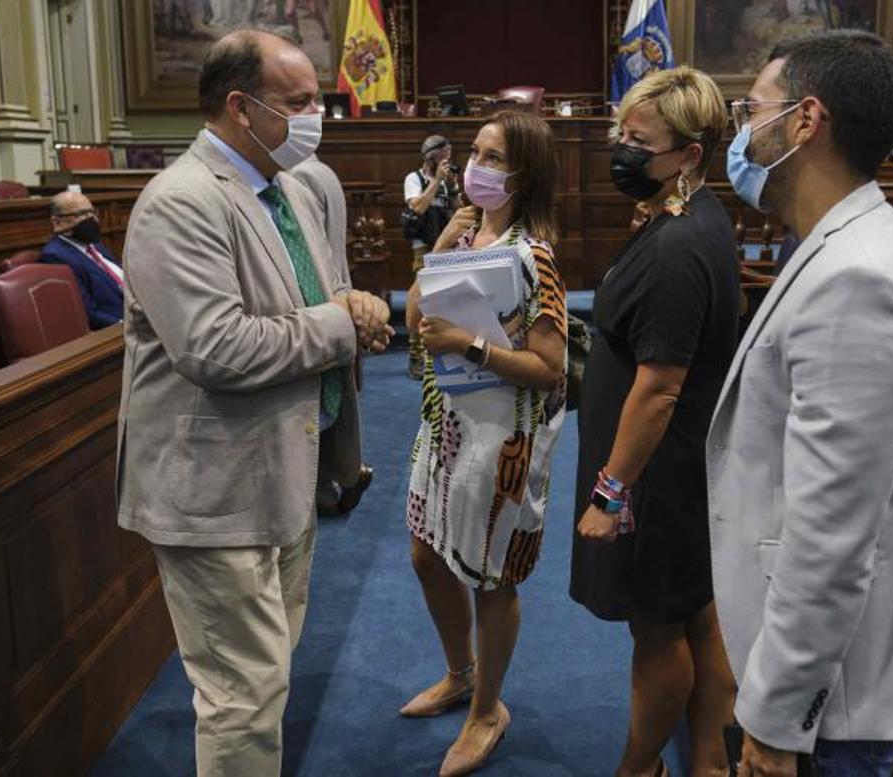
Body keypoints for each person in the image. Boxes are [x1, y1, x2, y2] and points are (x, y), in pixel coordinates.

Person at [116, 30, 392, 777]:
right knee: (243, 692)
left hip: (289, 464)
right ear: (241, 107)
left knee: (270, 666)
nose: (316, 117)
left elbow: (321, 291)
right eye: (298, 103)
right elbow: (216, 348)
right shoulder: (180, 202)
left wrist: (354, 303)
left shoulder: (292, 187)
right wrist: (342, 324)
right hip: (214, 487)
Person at [712, 30, 893, 777]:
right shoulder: (837, 244)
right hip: (819, 684)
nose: (742, 131)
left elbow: (832, 535)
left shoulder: (860, 277)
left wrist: (777, 720)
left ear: (805, 122)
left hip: (827, 707)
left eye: (753, 110)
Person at [571, 67, 741, 777]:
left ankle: (639, 767)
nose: (622, 150)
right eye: (622, 134)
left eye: (639, 142)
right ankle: (710, 762)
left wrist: (610, 494)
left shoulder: (677, 246)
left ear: (689, 155)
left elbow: (659, 388)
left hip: (653, 473)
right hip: (674, 462)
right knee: (696, 611)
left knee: (658, 627)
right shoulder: (686, 216)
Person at [402, 109, 566, 777]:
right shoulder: (466, 234)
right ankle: (459, 671)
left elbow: (550, 368)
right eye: (475, 151)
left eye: (493, 157)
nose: (475, 166)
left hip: (502, 438)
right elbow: (415, 316)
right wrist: (443, 243)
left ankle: (487, 708)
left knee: (491, 577)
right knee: (426, 553)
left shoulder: (534, 257)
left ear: (524, 172)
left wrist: (469, 344)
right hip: (445, 422)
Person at [291, 153, 375, 516]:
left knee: (321, 401)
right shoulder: (321, 170)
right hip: (336, 289)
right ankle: (337, 481)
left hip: (323, 299)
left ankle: (332, 483)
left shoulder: (299, 178)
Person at [404, 134, 459, 378]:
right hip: (424, 246)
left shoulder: (447, 182)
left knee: (446, 299)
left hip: (446, 245)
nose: (448, 161)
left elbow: (460, 211)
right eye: (444, 157)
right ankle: (416, 352)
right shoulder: (413, 179)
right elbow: (417, 207)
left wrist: (453, 187)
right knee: (421, 298)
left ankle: (439, 350)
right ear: (431, 157)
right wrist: (436, 181)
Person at [40, 191, 124, 330]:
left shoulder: (95, 245)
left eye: (92, 212)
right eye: (81, 214)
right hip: (117, 328)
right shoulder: (55, 256)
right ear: (57, 222)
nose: (91, 219)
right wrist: (126, 326)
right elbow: (88, 313)